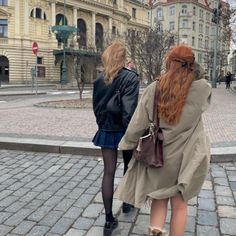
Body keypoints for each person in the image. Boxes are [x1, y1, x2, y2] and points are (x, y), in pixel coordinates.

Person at [116, 45, 211, 236]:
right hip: (186, 158)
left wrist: (127, 144)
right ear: (191, 64)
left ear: (168, 62)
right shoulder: (203, 89)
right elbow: (199, 78)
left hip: (159, 157)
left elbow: (137, 123)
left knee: (159, 200)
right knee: (180, 206)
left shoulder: (154, 88)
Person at [92, 41, 139, 235]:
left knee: (108, 172)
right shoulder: (130, 78)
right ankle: (127, 203)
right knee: (129, 168)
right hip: (124, 130)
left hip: (106, 129)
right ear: (122, 57)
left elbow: (96, 108)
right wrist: (134, 137)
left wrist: (103, 126)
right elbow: (129, 111)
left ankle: (109, 219)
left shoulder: (98, 80)